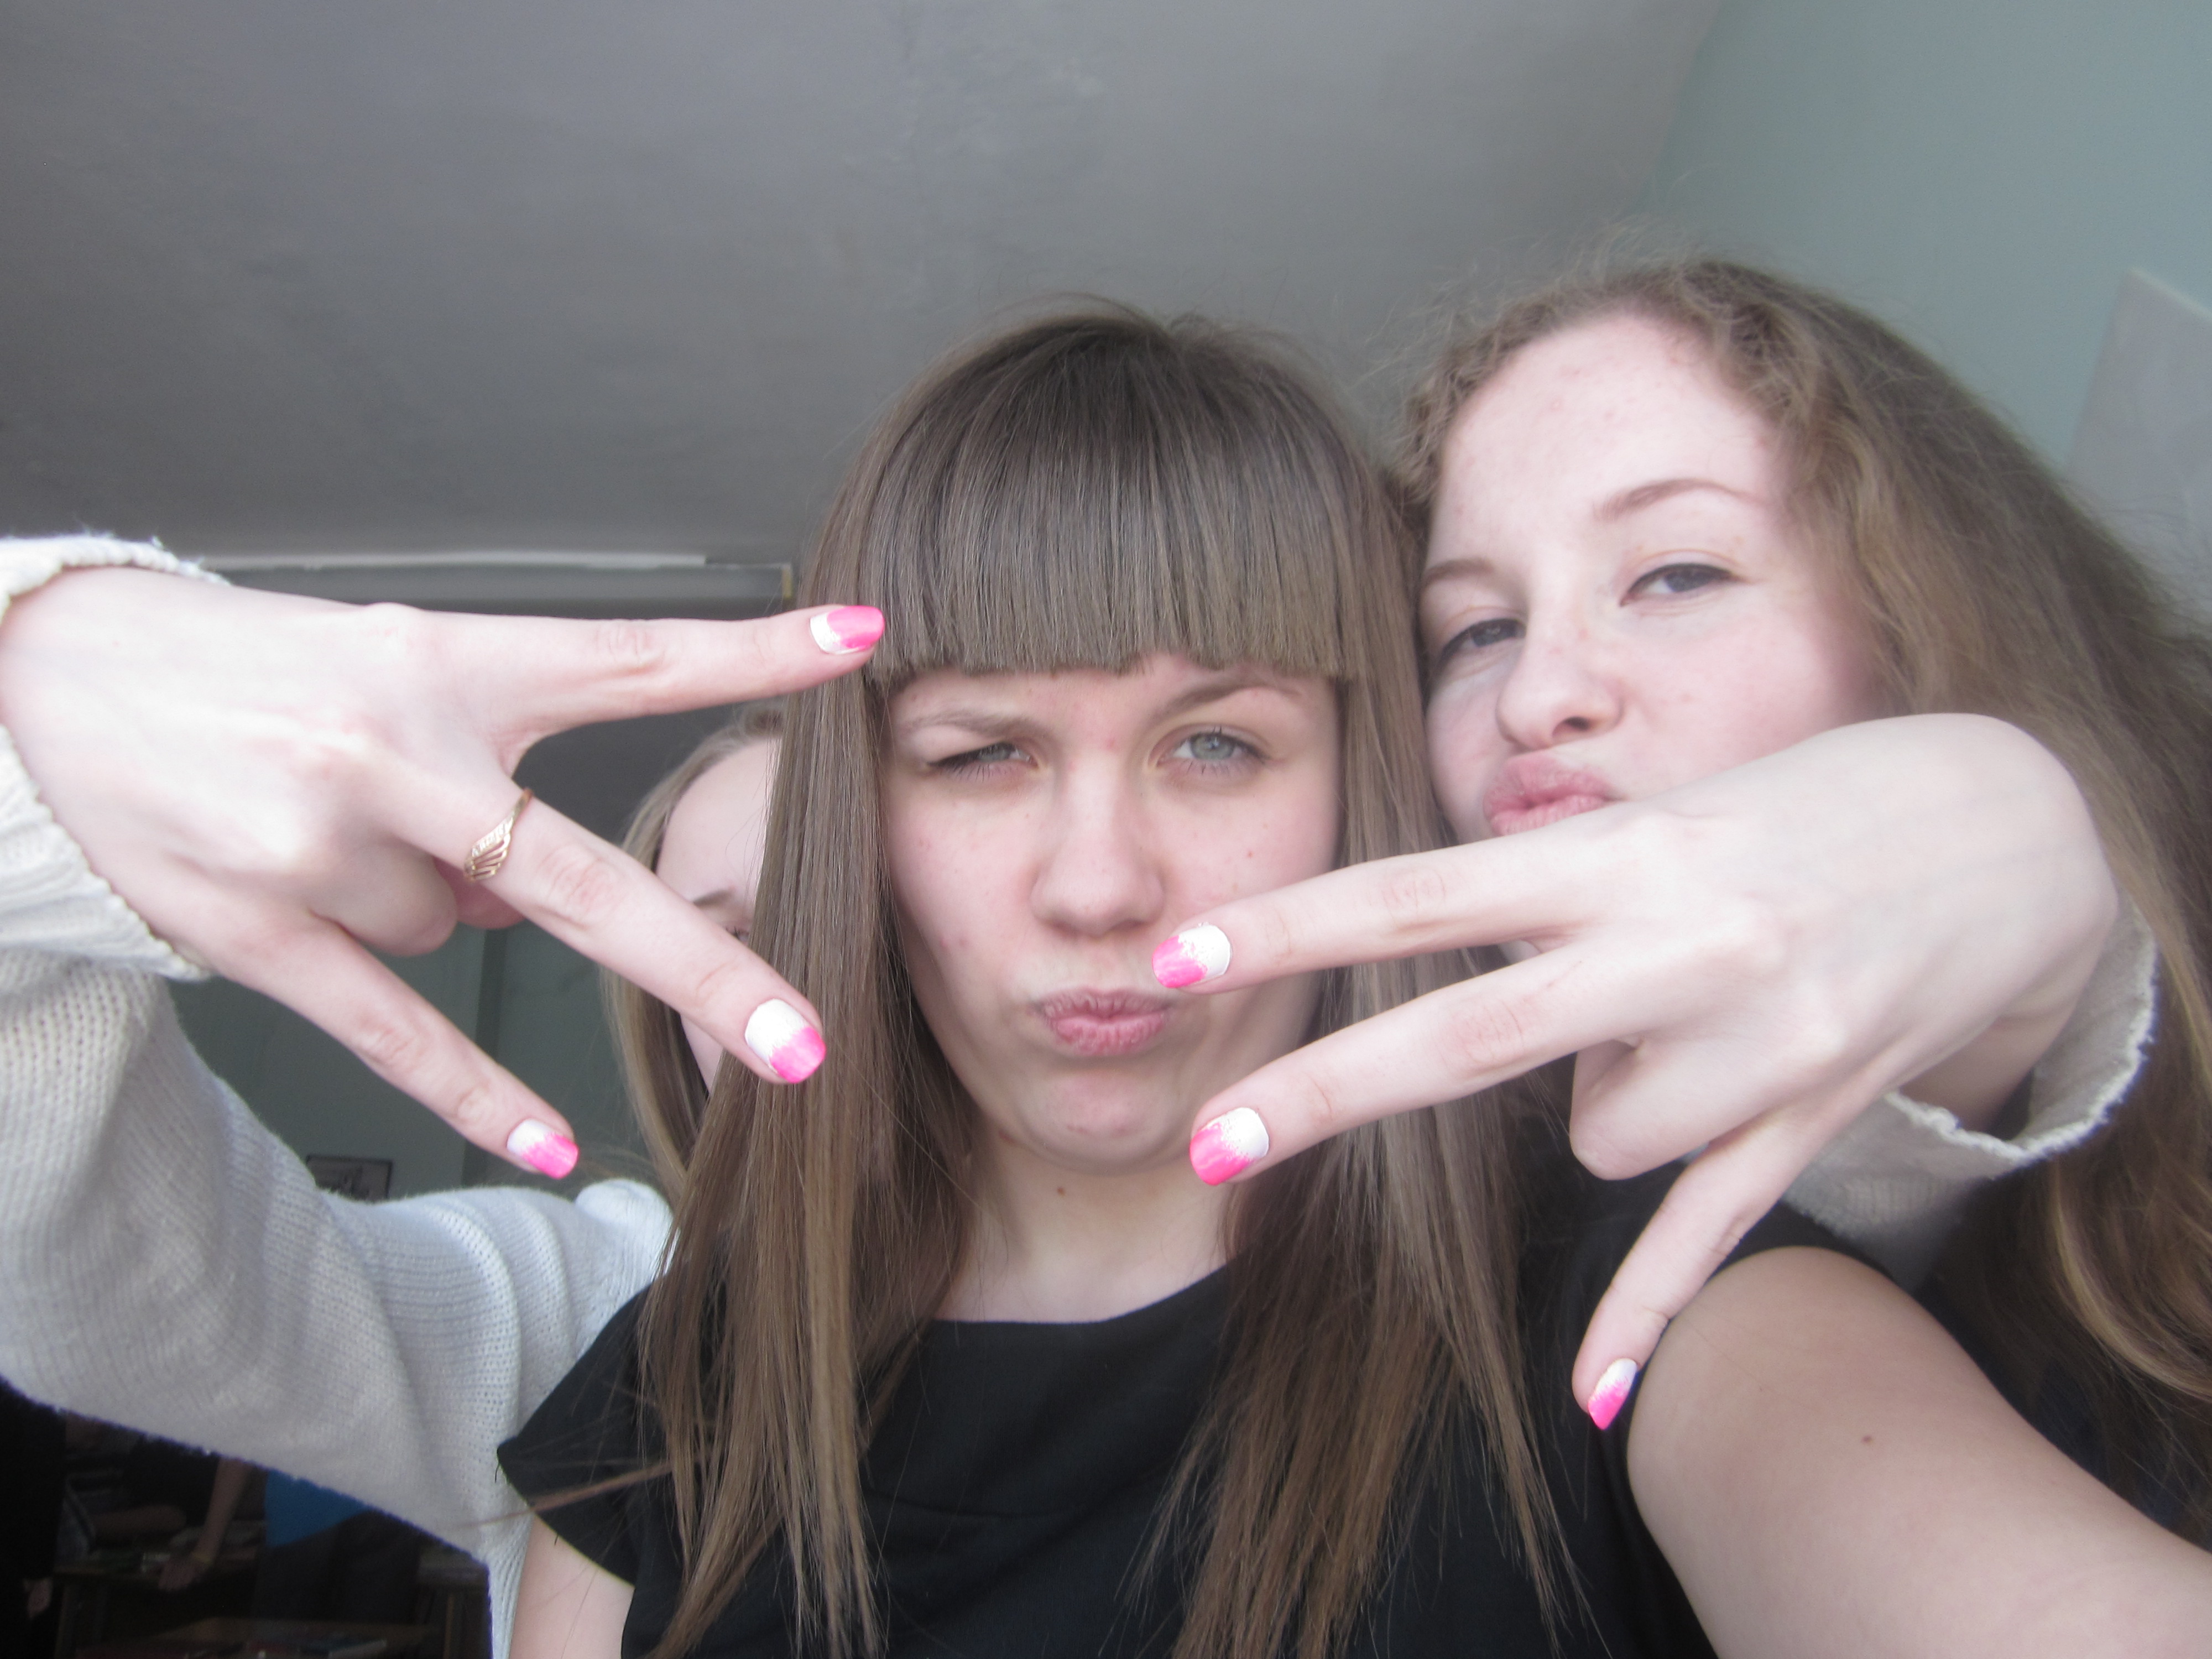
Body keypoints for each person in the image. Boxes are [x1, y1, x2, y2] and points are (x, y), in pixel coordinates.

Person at [0, 303, 2154, 1650]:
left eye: (1218, 745)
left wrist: (2034, 835)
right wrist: (47, 671)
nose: (1102, 882)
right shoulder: (671, 1369)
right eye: (976, 758)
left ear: (1364, 787)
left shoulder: (1649, 1310)